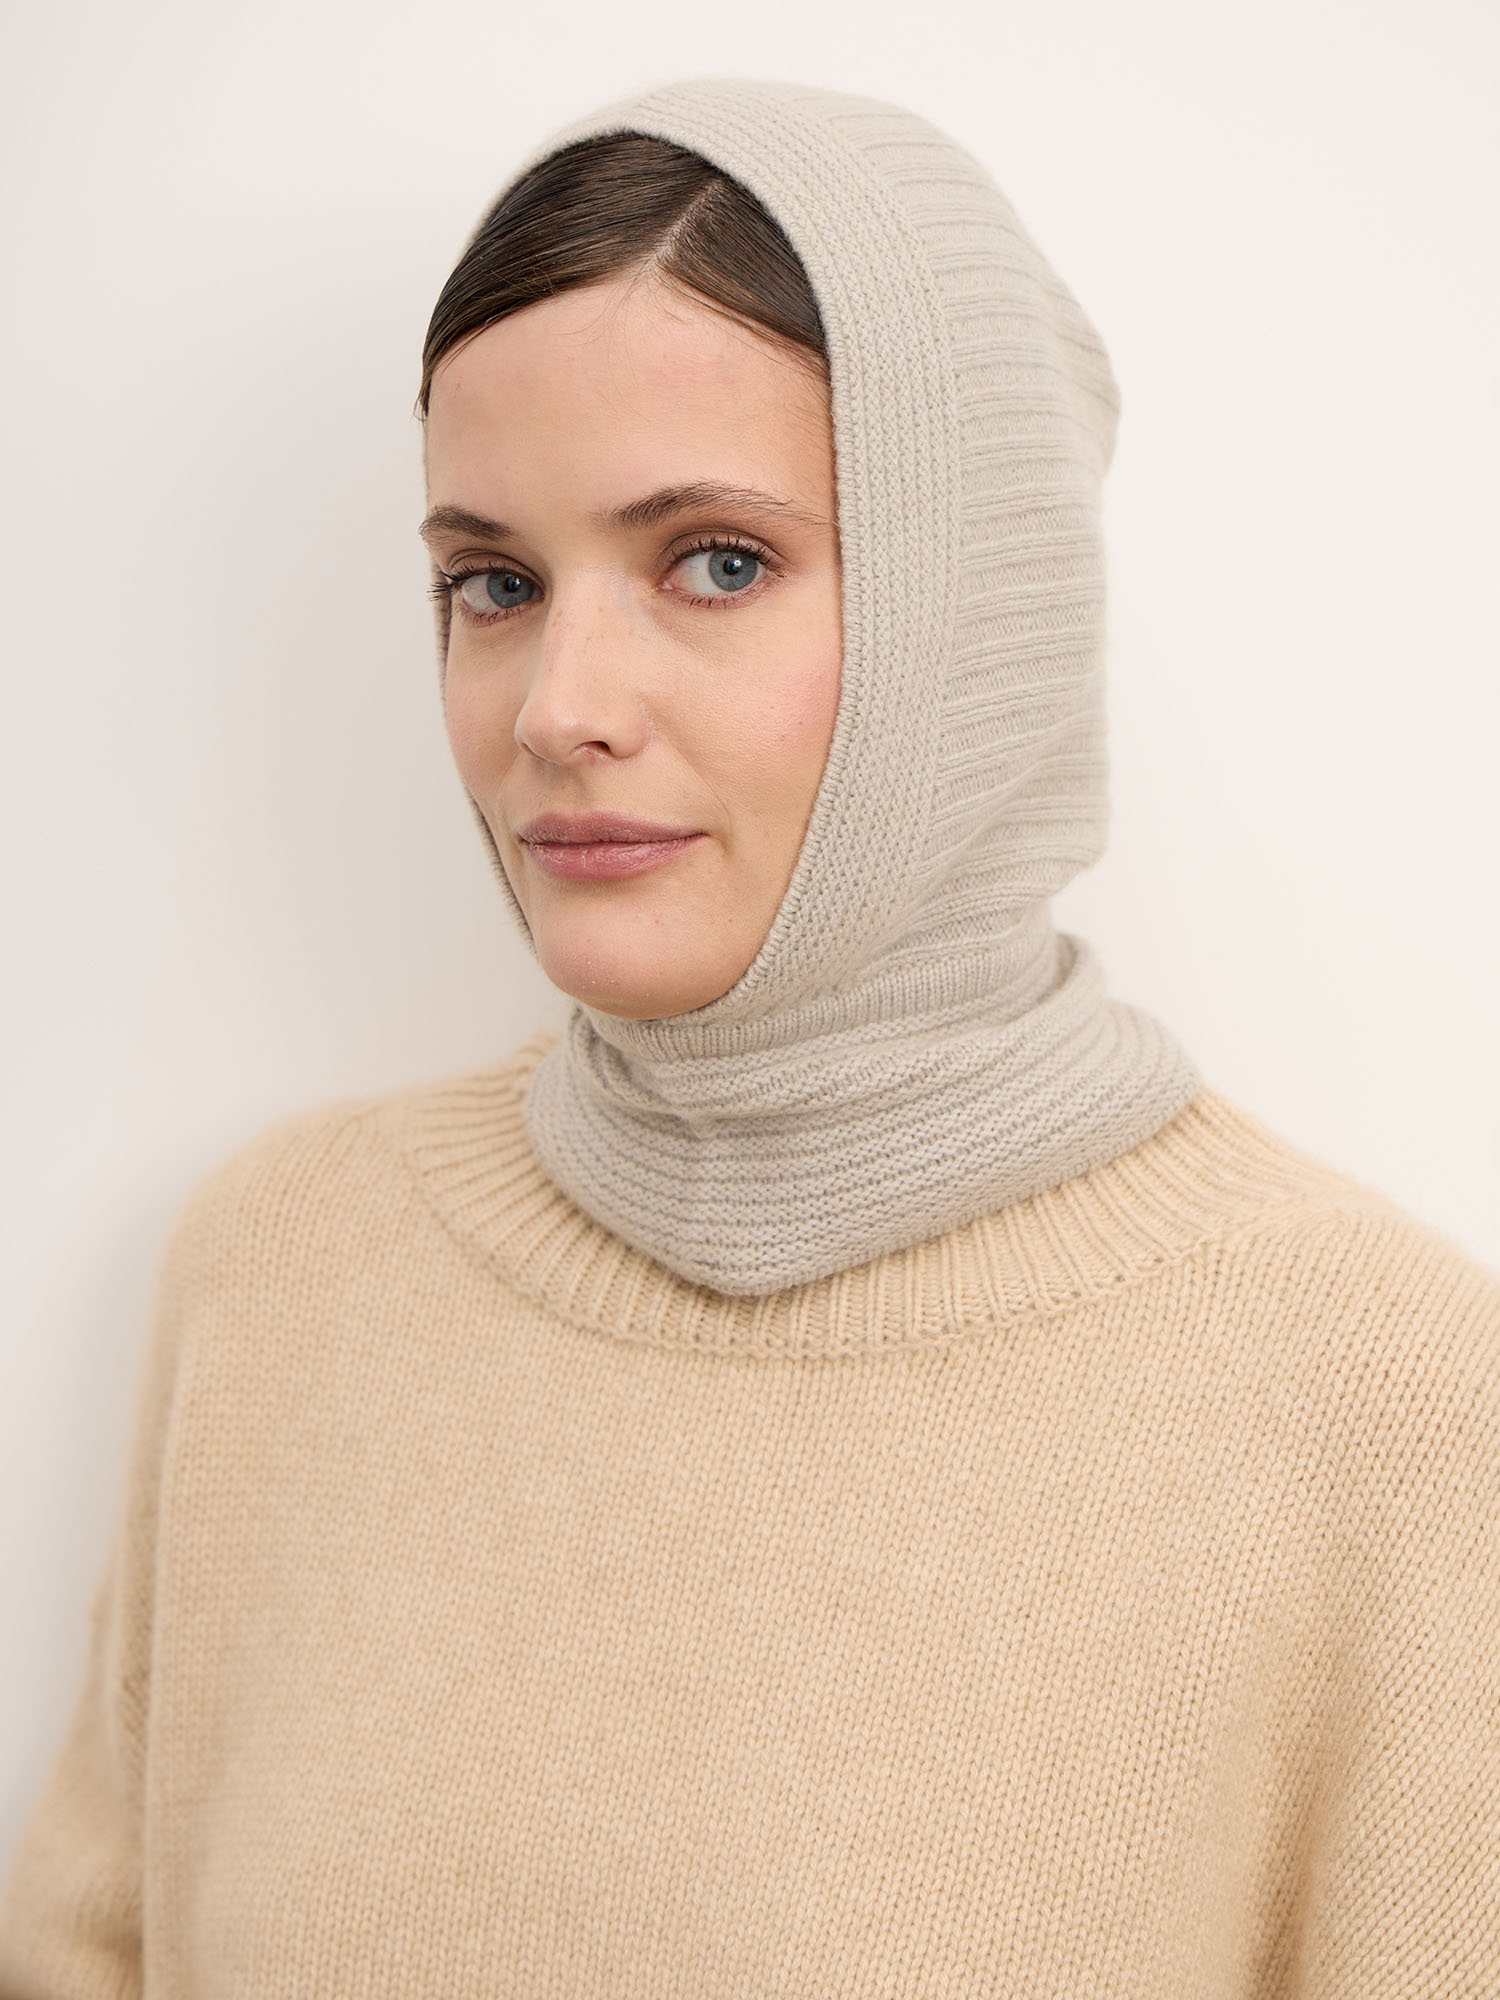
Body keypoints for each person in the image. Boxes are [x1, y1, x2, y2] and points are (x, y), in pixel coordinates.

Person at [1, 75, 1496, 1998]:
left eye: (716, 561)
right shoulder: (280, 1270)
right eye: (494, 583)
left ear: (983, 615)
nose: (556, 706)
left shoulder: (1383, 1402)